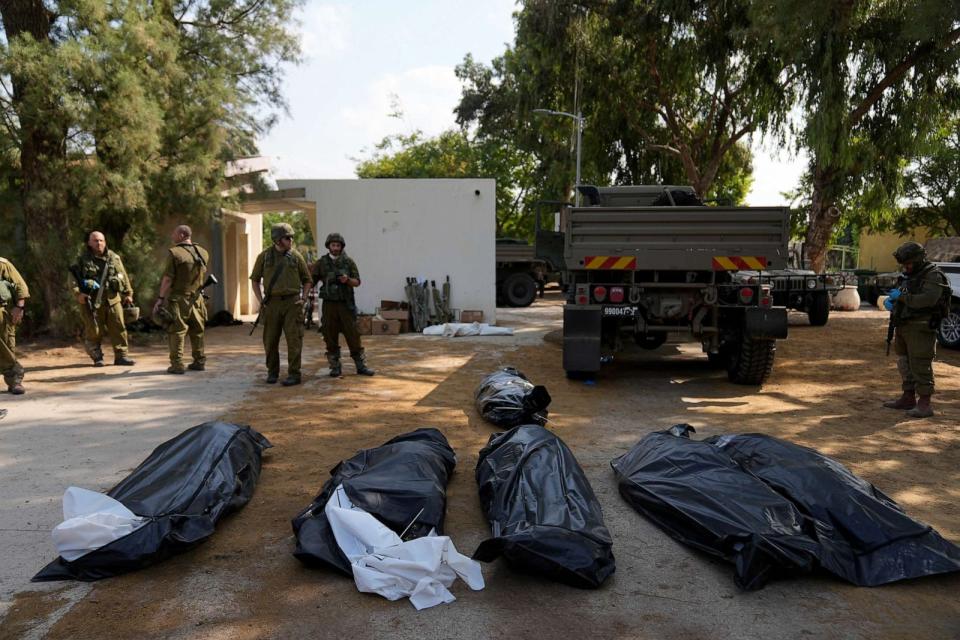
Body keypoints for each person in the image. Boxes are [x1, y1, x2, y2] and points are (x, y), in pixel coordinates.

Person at [882, 241, 949, 418]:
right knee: (904, 363)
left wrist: (902, 298)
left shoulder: (933, 276)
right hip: (904, 325)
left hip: (921, 327)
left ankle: (924, 403)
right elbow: (902, 291)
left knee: (920, 363)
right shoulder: (910, 274)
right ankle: (908, 397)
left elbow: (928, 299)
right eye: (904, 264)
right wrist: (892, 302)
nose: (906, 267)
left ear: (918, 260)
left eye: (909, 263)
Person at [250, 223, 311, 386]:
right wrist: (260, 299)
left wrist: (303, 299)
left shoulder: (296, 256)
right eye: (286, 237)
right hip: (272, 304)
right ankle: (272, 372)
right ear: (277, 239)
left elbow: (307, 280)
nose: (290, 240)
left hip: (292, 303)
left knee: (294, 340)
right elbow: (254, 280)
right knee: (270, 341)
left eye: (291, 237)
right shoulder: (264, 257)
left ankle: (294, 374)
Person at [313, 232, 374, 377]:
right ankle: (335, 366)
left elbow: (357, 282)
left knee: (353, 334)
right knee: (329, 334)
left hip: (346, 304)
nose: (335, 248)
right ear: (328, 246)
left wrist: (347, 280)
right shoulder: (321, 263)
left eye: (338, 245)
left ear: (341, 247)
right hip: (329, 305)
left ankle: (360, 365)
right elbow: (312, 280)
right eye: (333, 245)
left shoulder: (349, 262)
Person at [71, 231, 135, 367]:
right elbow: (72, 279)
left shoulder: (114, 258)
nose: (98, 243)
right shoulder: (81, 259)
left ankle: (121, 356)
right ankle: (97, 357)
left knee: (119, 328)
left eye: (101, 240)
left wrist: (128, 294)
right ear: (89, 243)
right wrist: (78, 294)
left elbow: (123, 275)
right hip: (92, 301)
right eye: (95, 241)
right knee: (94, 330)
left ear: (105, 242)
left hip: (113, 300)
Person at [152, 225, 209, 374]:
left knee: (177, 331)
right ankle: (199, 361)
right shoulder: (203, 252)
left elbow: (168, 279)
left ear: (182, 235)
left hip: (179, 298)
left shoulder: (175, 253)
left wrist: (160, 298)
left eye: (175, 233)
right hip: (197, 299)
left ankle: (177, 364)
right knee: (197, 330)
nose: (172, 235)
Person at [0, 256, 29, 394]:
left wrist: (19, 307)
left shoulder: (2, 264)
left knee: (6, 347)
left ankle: (14, 380)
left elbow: (20, 285)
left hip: (0, 312)